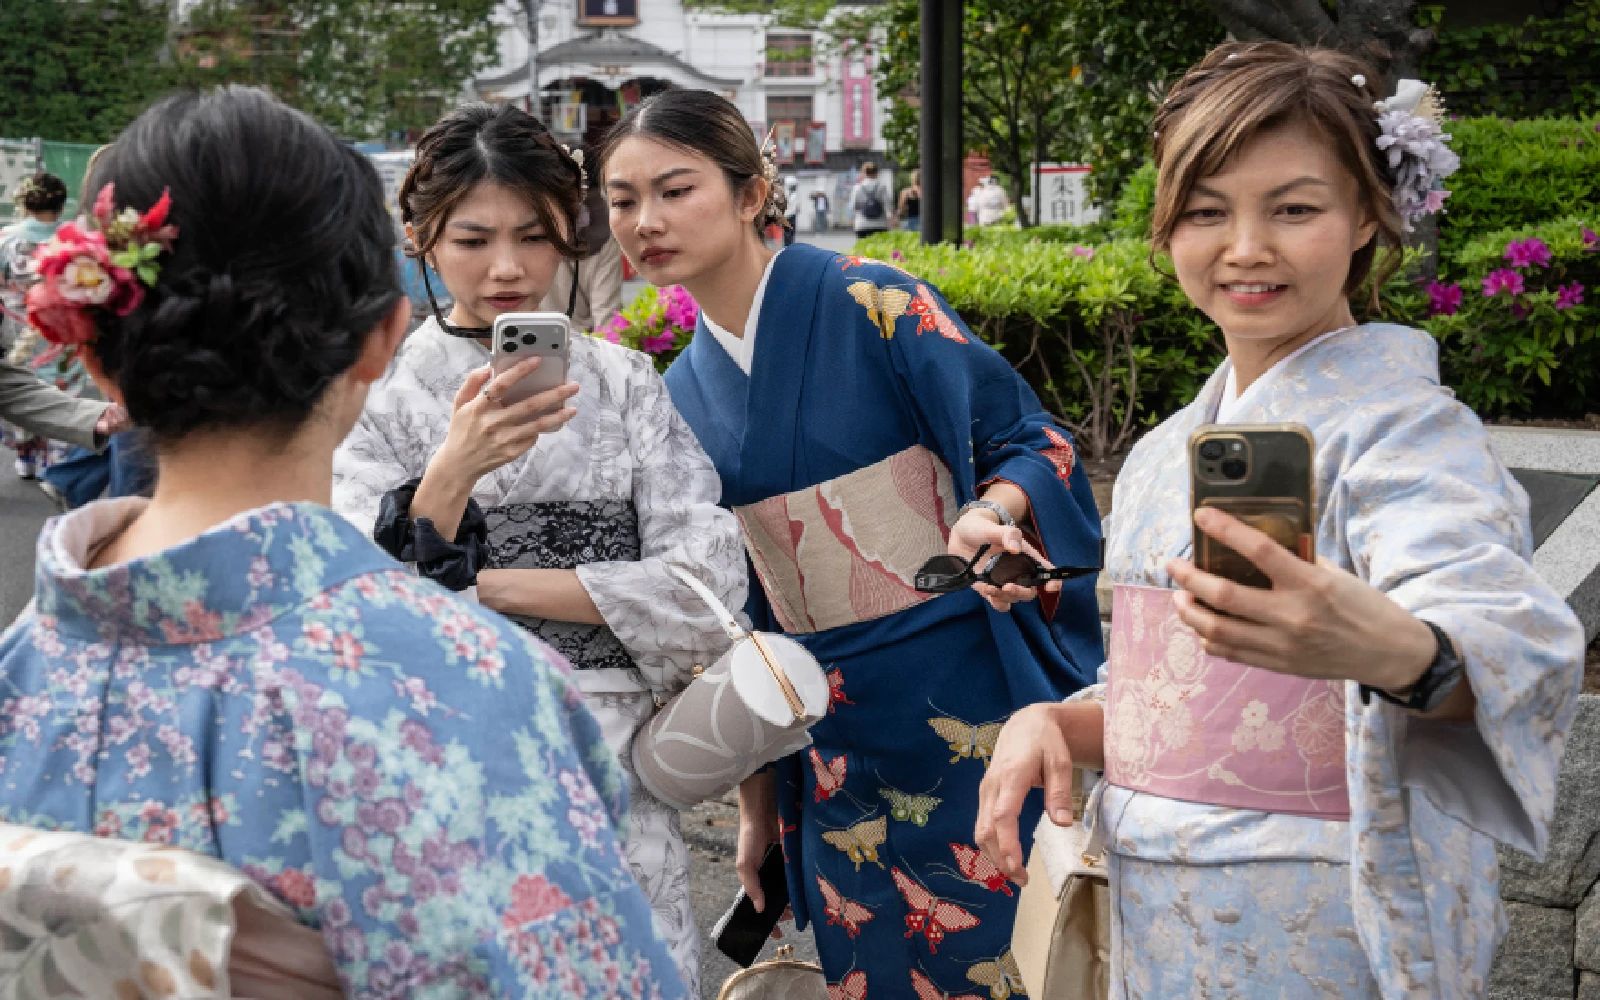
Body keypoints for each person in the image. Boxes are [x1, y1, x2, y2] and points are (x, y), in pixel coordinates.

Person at [0, 85, 684, 997]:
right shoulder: (470, 683)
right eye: (473, 240)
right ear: (380, 340)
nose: (506, 265)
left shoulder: (20, 675)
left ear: (92, 357)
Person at [975, 42, 1585, 998]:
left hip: (1312, 925)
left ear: (1366, 219)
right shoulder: (1159, 453)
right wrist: (1054, 720)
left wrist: (1400, 649)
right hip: (1152, 907)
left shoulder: (1408, 434)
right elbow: (1162, 697)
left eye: (1293, 208)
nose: (1245, 246)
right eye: (1207, 211)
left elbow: (1502, 629)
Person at [600, 88, 1104, 994]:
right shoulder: (679, 392)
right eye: (623, 199)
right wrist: (757, 805)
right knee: (869, 967)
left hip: (964, 698)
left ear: (753, 191)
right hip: (824, 735)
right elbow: (738, 617)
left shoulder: (874, 301)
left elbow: (1033, 441)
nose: (647, 221)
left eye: (675, 190)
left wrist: (991, 511)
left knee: (1007, 958)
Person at [331, 102, 744, 996]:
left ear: (569, 235)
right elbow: (351, 612)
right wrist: (449, 473)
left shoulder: (627, 383)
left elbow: (707, 591)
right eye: (472, 240)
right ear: (422, 240)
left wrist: (480, 581)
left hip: (616, 782)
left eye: (533, 236)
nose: (508, 268)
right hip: (445, 781)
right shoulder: (381, 398)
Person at [1, 172, 97, 480]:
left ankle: (26, 455)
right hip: (63, 324)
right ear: (60, 202)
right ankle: (55, 459)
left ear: (24, 202)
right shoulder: (74, 237)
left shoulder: (6, 239)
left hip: (17, 323)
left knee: (18, 388)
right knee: (60, 389)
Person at [539, 155, 626, 332]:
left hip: (533, 342)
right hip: (584, 345)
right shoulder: (603, 234)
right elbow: (606, 318)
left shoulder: (528, 229)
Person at [849, 161, 891, 241]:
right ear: (876, 173)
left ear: (864, 173)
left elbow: (853, 206)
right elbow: (887, 205)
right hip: (880, 224)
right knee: (878, 251)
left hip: (862, 224)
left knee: (863, 251)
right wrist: (891, 219)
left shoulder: (857, 188)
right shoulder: (882, 187)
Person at [782, 174, 801, 247]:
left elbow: (797, 202)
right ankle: (787, 246)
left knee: (792, 231)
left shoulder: (795, 193)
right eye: (793, 185)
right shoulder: (784, 192)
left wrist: (798, 207)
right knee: (787, 232)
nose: (794, 187)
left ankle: (791, 245)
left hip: (793, 214)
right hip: (786, 215)